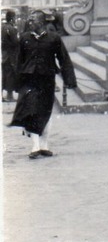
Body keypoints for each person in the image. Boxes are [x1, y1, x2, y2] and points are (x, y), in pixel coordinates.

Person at [9, 9, 77, 158]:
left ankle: (44, 145)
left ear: (42, 22)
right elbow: (18, 61)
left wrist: (69, 79)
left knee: (45, 111)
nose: (30, 22)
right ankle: (35, 147)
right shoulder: (24, 38)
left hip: (47, 79)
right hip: (29, 79)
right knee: (30, 109)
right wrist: (16, 82)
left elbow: (64, 59)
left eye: (33, 20)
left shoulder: (54, 38)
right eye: (30, 20)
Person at [2, 10, 20, 102]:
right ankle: (9, 96)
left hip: (3, 54)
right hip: (11, 56)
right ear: (12, 18)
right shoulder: (11, 29)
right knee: (10, 75)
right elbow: (16, 42)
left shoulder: (2, 27)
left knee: (3, 75)